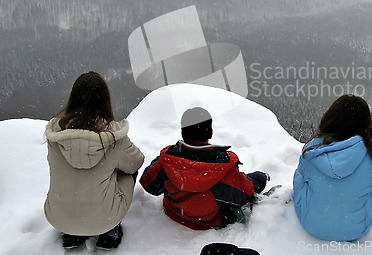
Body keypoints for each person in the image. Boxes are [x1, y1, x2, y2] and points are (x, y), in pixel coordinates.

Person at [44, 71, 144, 250]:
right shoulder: (113, 137)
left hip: (58, 217)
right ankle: (110, 232)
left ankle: (72, 234)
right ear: (105, 100)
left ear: (74, 98)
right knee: (126, 168)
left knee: (69, 174)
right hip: (104, 220)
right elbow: (136, 162)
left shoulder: (55, 136)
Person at [140, 106, 268, 230]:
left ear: (182, 132)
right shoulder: (221, 167)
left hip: (175, 213)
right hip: (210, 220)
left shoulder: (168, 161)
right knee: (235, 207)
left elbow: (149, 185)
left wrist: (163, 159)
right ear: (211, 133)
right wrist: (261, 177)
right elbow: (245, 192)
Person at [293, 95, 372, 241]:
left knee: (300, 174)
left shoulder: (313, 149)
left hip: (312, 225)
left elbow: (303, 176)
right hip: (356, 230)